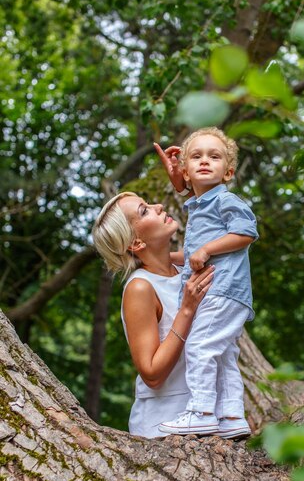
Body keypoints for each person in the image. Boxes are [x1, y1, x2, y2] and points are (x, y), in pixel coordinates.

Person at [155, 127, 258, 438]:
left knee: (199, 346)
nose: (204, 161)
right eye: (196, 157)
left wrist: (208, 249)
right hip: (218, 292)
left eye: (214, 157)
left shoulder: (225, 200)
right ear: (186, 171)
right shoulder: (199, 206)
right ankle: (231, 416)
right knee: (224, 354)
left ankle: (200, 411)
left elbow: (246, 233)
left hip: (223, 289)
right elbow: (188, 255)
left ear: (227, 172)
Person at [92, 191, 214, 438]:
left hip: (207, 415)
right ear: (136, 243)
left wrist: (186, 182)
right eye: (144, 211)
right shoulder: (140, 287)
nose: (159, 206)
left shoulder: (184, 270)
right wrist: (186, 310)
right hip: (164, 428)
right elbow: (152, 374)